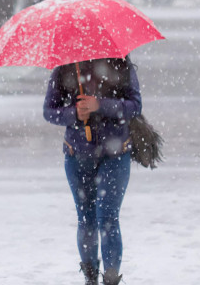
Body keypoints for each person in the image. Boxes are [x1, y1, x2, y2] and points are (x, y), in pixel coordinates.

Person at [43, 57, 142, 285]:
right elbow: (49, 111)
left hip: (115, 155)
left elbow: (135, 106)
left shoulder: (121, 65)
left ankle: (110, 279)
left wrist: (101, 105)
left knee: (107, 218)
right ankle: (90, 277)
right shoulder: (65, 69)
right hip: (77, 156)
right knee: (86, 220)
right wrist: (74, 114)